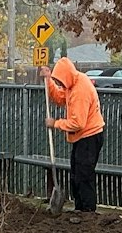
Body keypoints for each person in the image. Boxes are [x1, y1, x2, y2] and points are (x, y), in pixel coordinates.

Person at [44, 56, 105, 213]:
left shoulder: (80, 91)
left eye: (60, 81)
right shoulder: (71, 85)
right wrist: (48, 81)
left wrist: (55, 123)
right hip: (82, 137)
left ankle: (87, 212)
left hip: (89, 137)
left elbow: (78, 123)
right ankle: (80, 209)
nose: (60, 85)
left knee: (84, 176)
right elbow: (59, 98)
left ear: (67, 76)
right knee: (76, 174)